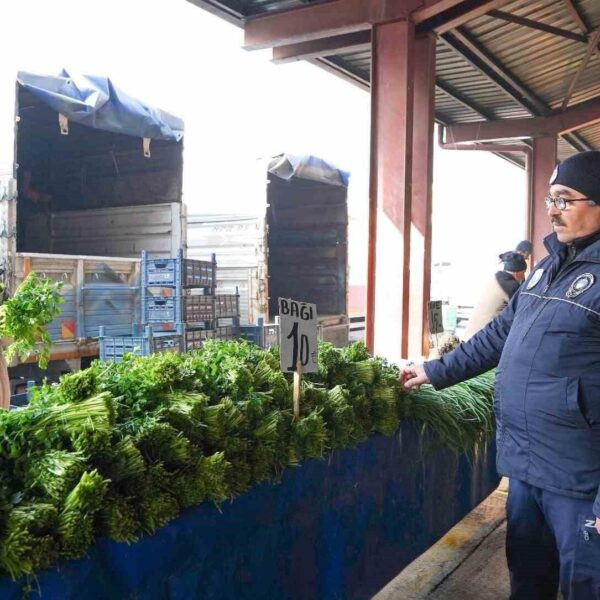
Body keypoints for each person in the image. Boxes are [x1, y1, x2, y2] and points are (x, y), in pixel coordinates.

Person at [402, 150, 600, 599]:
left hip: (580, 479)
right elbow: (497, 337)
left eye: (565, 199)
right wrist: (433, 371)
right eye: (551, 199)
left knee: (583, 586)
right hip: (528, 468)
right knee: (528, 578)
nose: (553, 210)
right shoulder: (548, 269)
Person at [463, 251, 527, 340]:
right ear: (517, 273)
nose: (524, 276)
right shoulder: (511, 286)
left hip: (470, 334)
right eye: (524, 272)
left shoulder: (496, 277)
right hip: (483, 339)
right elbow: (524, 310)